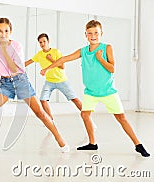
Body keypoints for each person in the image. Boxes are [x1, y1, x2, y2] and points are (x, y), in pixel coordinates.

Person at [0, 18, 69, 156]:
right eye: (0, 31)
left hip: (20, 81)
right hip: (6, 84)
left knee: (40, 113)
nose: (3, 34)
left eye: (6, 31)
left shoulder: (16, 46)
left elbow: (14, 68)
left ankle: (59, 138)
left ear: (11, 32)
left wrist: (4, 50)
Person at [40, 20, 150, 157]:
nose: (93, 36)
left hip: (107, 91)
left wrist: (100, 58)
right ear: (85, 34)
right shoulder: (83, 51)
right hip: (91, 92)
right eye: (90, 33)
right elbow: (63, 60)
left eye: (96, 33)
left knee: (121, 118)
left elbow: (112, 68)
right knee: (84, 114)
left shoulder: (107, 48)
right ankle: (92, 143)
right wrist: (47, 68)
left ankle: (138, 145)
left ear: (101, 33)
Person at [25, 33, 97, 130]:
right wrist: (16, 67)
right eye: (40, 42)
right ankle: (50, 121)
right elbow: (29, 62)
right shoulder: (39, 55)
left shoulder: (56, 52)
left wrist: (50, 59)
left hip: (61, 80)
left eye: (44, 41)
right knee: (43, 100)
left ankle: (90, 121)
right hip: (49, 82)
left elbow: (62, 66)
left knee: (74, 99)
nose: (42, 44)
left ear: (48, 41)